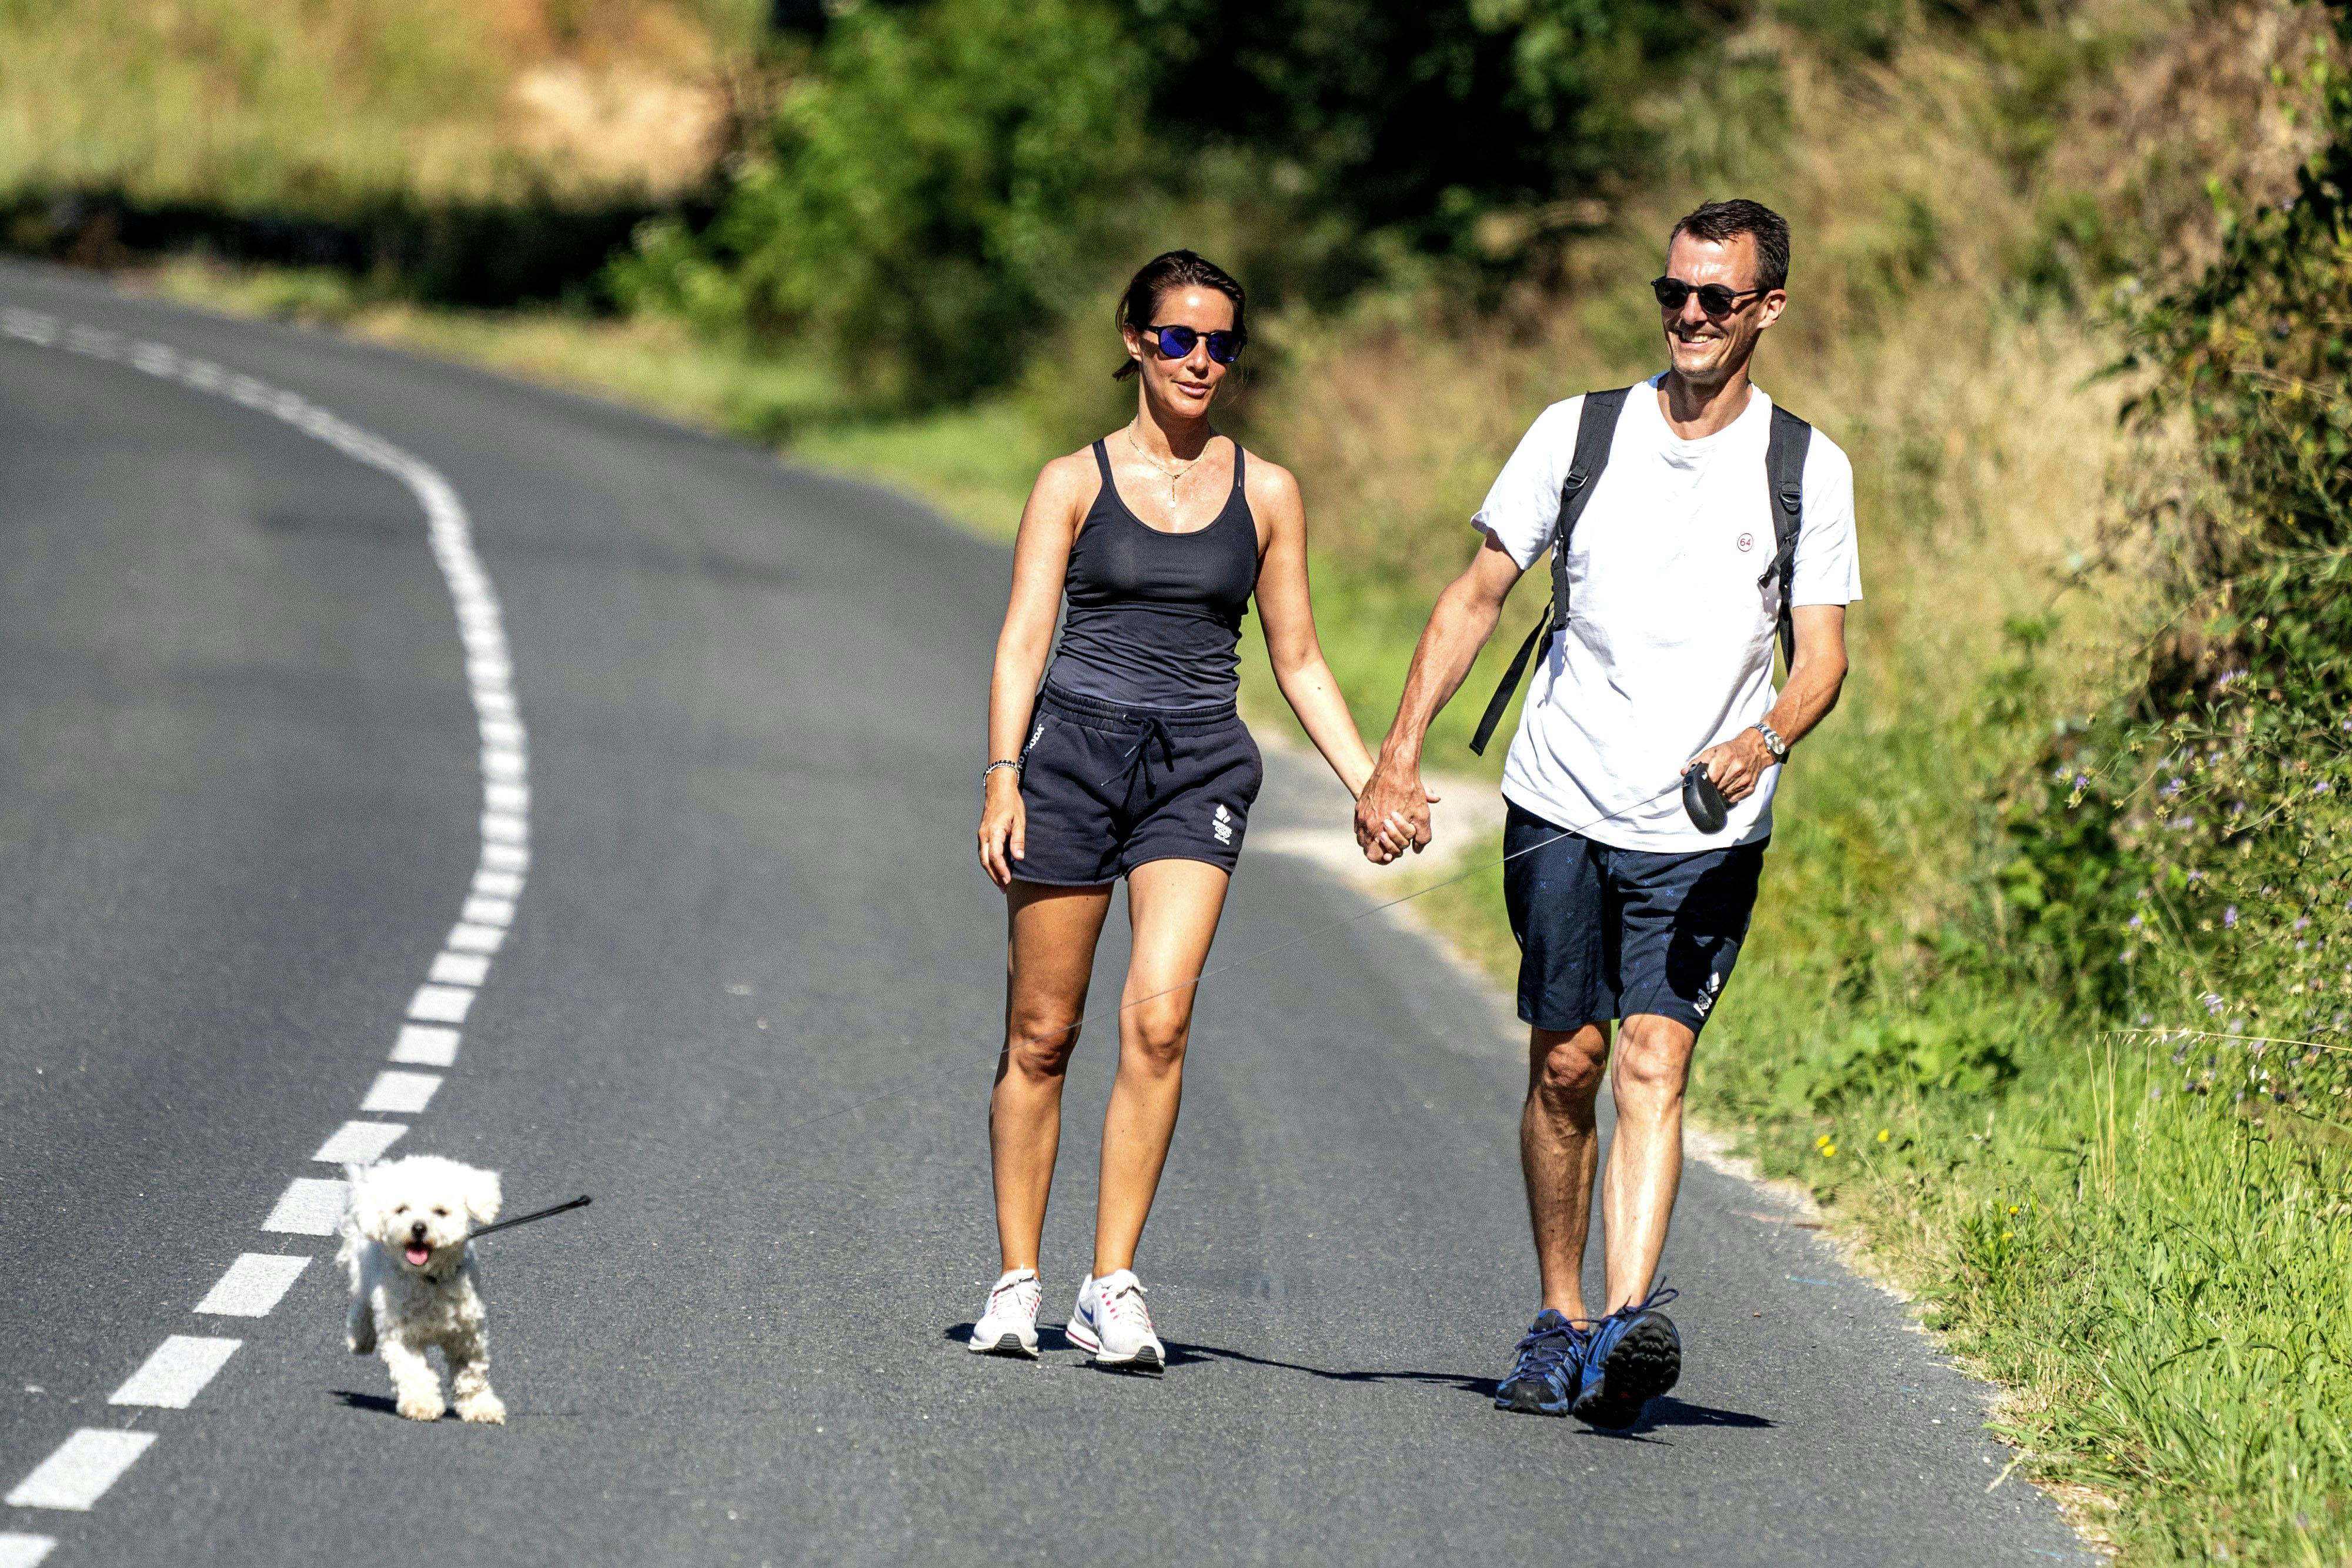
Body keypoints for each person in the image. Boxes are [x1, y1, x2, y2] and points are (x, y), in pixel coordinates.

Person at [1354, 199, 1861, 1426]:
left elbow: (1821, 659)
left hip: (1703, 824)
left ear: (1766, 309)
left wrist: (1765, 738)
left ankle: (1622, 1330)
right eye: (1672, 295)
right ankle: (1557, 1312)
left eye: (1717, 299)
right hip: (1563, 797)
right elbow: (1476, 595)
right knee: (1567, 1059)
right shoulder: (1576, 432)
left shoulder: (1806, 465)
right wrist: (1398, 752)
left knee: (1652, 1055)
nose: (1689, 317)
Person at [971, 250, 1408, 1370]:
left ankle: (1109, 1282)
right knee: (1044, 1032)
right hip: (1070, 757)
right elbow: (1025, 636)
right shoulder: (1072, 483)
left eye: (1221, 343)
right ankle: (1017, 1278)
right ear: (1136, 342)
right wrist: (1004, 773)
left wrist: (1370, 778)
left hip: (1197, 767)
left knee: (1158, 1023)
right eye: (1179, 339)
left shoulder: (1267, 492)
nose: (1201, 361)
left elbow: (1298, 657)